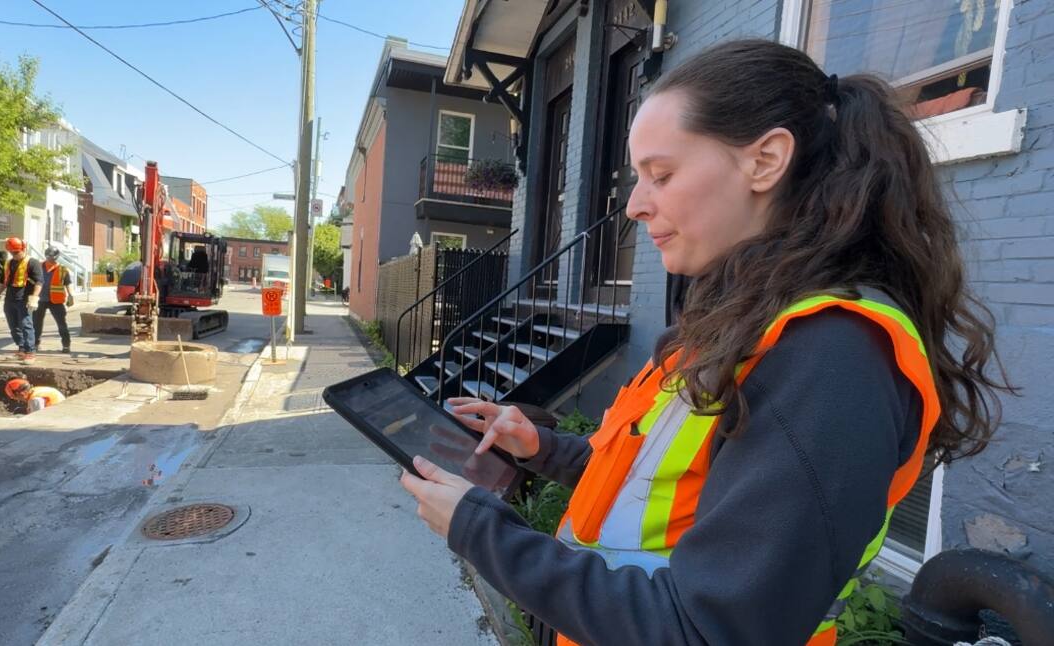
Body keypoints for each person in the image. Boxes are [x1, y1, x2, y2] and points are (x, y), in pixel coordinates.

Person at [398, 40, 1014, 646]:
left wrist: (483, 533)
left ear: (766, 161)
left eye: (660, 174)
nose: (635, 205)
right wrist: (540, 447)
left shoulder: (829, 356)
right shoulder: (740, 322)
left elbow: (711, 628)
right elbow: (654, 485)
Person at [0, 237, 42, 364]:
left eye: (16, 252)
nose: (14, 255)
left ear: (22, 249)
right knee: (13, 326)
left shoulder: (32, 263)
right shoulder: (9, 263)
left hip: (24, 299)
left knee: (26, 325)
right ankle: (21, 349)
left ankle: (30, 352)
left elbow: (39, 282)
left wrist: (35, 298)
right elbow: (3, 282)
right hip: (10, 298)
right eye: (12, 252)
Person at [34, 246, 74, 354]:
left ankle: (66, 345)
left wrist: (71, 295)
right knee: (36, 324)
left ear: (56, 257)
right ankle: (35, 344)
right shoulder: (38, 267)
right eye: (49, 256)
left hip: (56, 301)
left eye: (52, 256)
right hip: (40, 299)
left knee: (62, 324)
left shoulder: (62, 269)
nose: (50, 258)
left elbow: (68, 283)